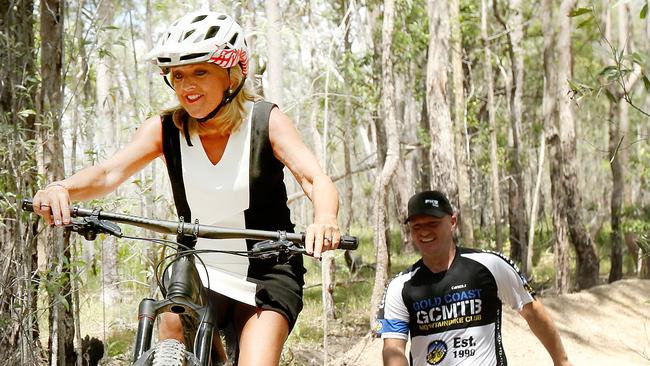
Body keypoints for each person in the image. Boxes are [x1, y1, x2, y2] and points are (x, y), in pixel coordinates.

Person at [31, 11, 340, 366]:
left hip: (268, 267)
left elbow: (316, 179)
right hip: (196, 263)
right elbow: (107, 173)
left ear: (232, 74)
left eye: (200, 72)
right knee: (171, 323)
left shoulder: (264, 120)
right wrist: (61, 188)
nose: (187, 86)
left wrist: (325, 218)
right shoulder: (166, 129)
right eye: (178, 75)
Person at [376, 190, 572, 366]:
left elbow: (532, 311)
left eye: (432, 224)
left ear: (452, 222)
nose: (424, 231)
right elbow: (393, 348)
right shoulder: (399, 286)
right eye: (417, 226)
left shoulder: (491, 265)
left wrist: (561, 361)